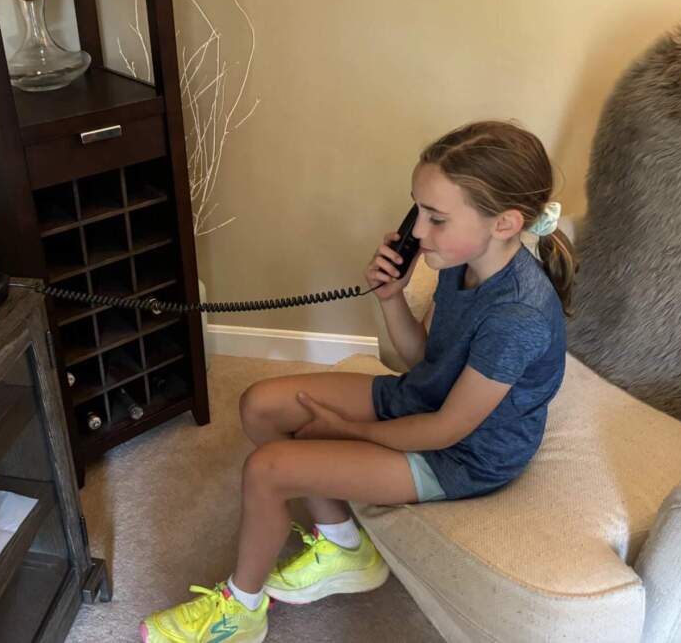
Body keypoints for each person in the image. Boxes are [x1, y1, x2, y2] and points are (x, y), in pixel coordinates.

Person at [140, 120, 577, 643]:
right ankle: (346, 545)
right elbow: (423, 359)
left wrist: (349, 431)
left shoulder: (517, 316)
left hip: (462, 456)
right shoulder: (459, 261)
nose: (418, 232)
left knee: (267, 470)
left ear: (504, 224)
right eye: (418, 212)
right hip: (425, 398)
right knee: (260, 404)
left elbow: (446, 430)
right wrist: (391, 297)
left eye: (437, 218)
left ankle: (241, 613)